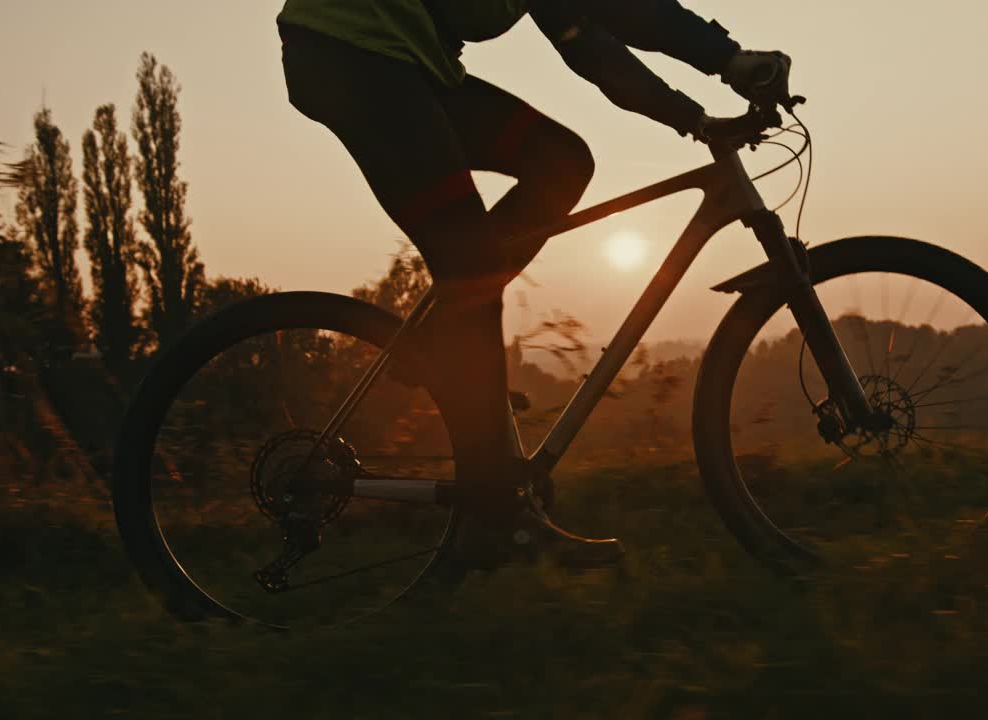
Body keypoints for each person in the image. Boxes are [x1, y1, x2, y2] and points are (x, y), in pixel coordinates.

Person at [277, 0, 791, 567]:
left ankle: (445, 330)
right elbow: (621, 18)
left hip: (409, 68)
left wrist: (693, 116)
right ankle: (494, 514)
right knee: (472, 264)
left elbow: (588, 40)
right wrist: (727, 61)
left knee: (560, 161)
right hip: (354, 57)